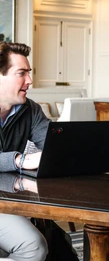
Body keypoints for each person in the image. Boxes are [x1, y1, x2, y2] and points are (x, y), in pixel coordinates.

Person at [0, 42, 49, 260]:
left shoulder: (30, 109)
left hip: (11, 201)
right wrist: (19, 160)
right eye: (22, 73)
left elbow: (52, 146)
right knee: (33, 246)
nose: (29, 81)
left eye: (29, 73)